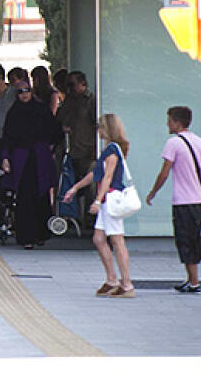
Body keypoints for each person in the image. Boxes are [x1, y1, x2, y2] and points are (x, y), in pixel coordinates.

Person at [63, 114, 135, 298]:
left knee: (116, 240)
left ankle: (126, 284)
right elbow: (96, 174)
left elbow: (107, 177)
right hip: (107, 198)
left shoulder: (112, 151)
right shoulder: (109, 150)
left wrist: (97, 200)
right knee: (99, 238)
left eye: (100, 127)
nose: (98, 130)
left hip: (110, 198)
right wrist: (75, 188)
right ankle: (112, 279)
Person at [144, 106, 201, 293]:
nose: (167, 124)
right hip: (197, 200)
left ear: (176, 122)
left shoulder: (173, 143)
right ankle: (191, 279)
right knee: (193, 238)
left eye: (169, 120)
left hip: (182, 201)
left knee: (184, 240)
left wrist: (153, 192)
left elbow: (165, 172)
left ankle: (194, 282)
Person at [1, 81, 62, 248]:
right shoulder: (14, 113)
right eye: (20, 92)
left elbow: (54, 131)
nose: (24, 94)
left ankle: (41, 234)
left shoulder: (41, 110)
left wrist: (50, 147)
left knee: (41, 196)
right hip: (21, 159)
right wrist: (5, 158)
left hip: (39, 157)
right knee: (24, 197)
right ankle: (26, 237)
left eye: (26, 91)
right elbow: (7, 136)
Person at [56, 71, 97, 223]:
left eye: (72, 85)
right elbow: (60, 119)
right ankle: (69, 216)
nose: (69, 88)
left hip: (87, 150)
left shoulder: (91, 101)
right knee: (67, 184)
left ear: (82, 84)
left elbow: (95, 125)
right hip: (71, 150)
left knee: (90, 187)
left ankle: (90, 219)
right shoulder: (69, 101)